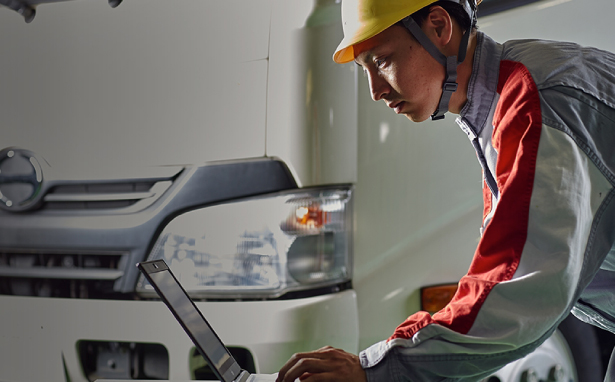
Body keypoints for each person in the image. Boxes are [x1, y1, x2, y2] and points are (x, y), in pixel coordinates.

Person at [276, 0, 615, 381]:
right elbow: (496, 277)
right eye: (365, 70)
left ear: (438, 27)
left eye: (382, 61)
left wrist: (376, 369)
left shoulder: (536, 102)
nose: (375, 90)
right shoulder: (504, 102)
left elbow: (521, 288)